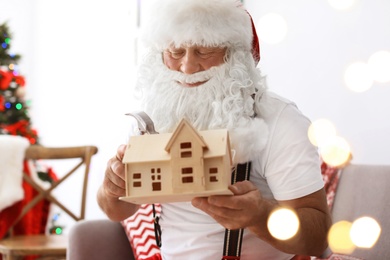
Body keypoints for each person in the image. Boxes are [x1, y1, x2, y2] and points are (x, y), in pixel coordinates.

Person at [97, 0, 332, 259]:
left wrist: (262, 217)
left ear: (235, 54)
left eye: (204, 50)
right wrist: (111, 189)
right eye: (175, 51)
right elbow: (115, 210)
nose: (188, 67)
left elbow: (319, 237)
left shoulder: (280, 121)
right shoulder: (151, 119)